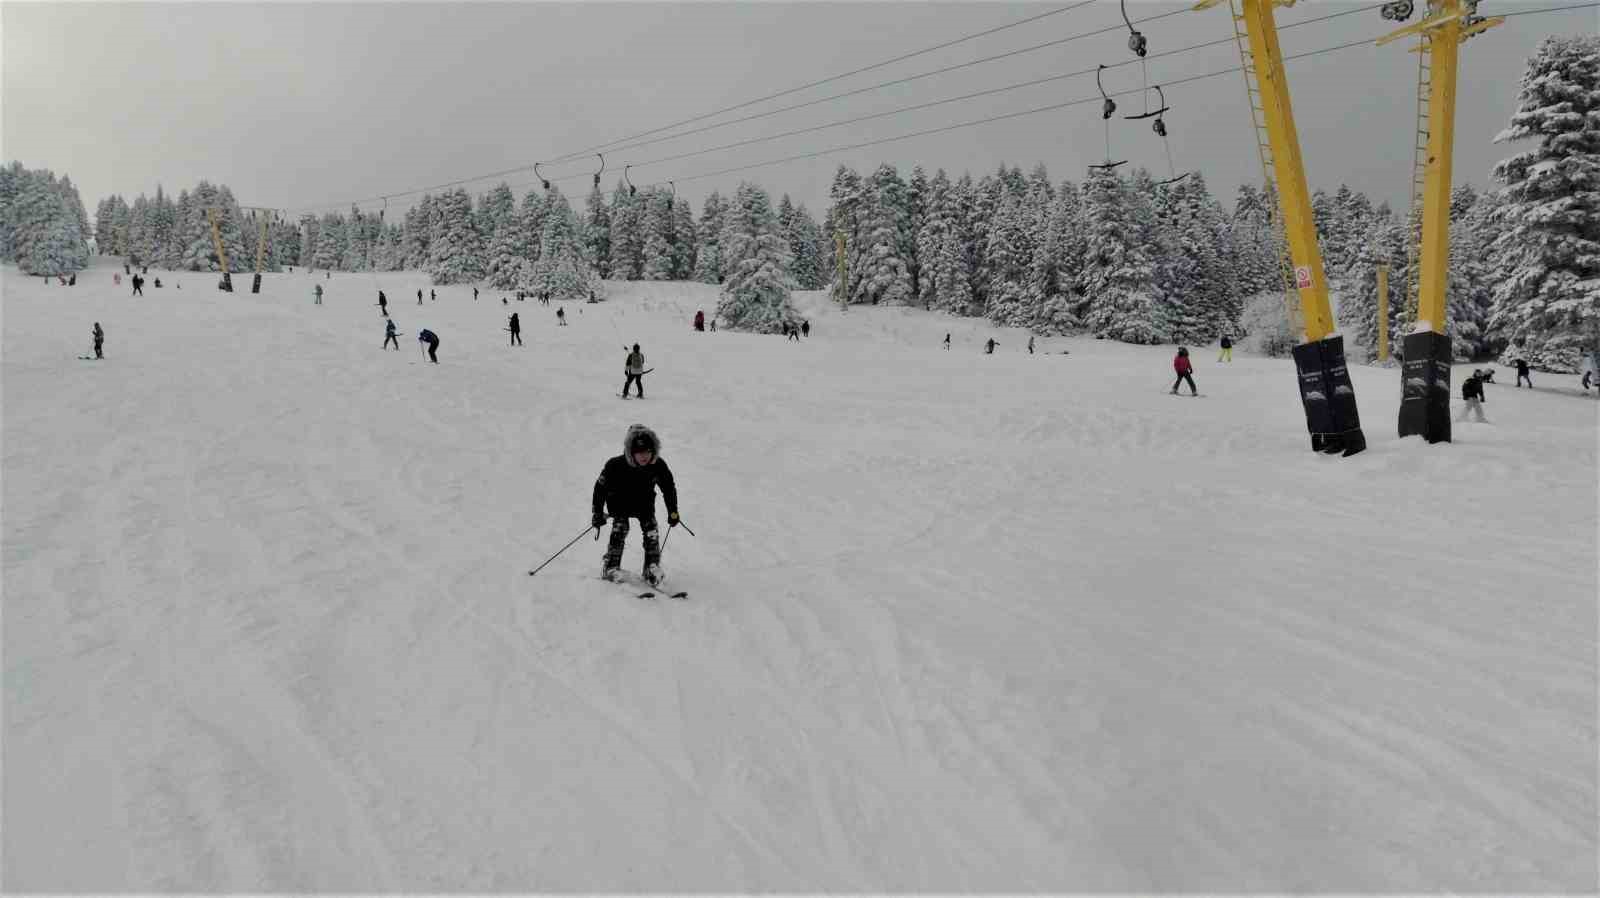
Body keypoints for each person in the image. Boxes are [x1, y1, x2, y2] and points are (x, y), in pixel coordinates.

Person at [590, 423, 680, 586]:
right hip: (620, 505)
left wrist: (673, 512)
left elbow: (669, 488)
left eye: (648, 451)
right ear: (631, 451)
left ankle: (651, 568)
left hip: (644, 506)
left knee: (651, 531)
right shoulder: (615, 465)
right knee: (620, 529)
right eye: (639, 452)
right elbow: (600, 488)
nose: (644, 456)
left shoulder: (657, 465)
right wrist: (597, 513)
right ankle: (611, 567)